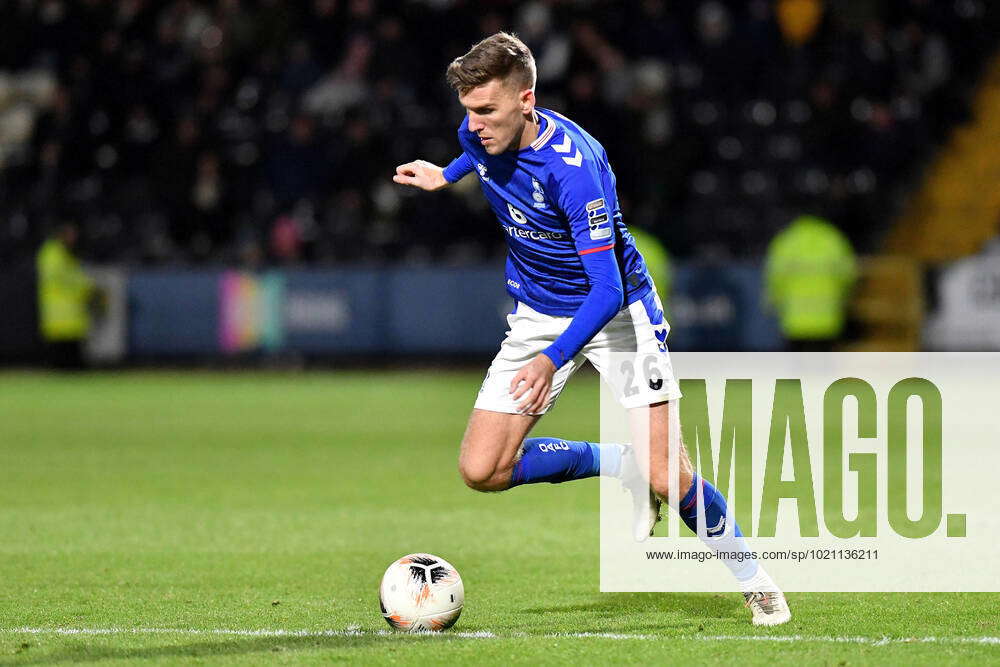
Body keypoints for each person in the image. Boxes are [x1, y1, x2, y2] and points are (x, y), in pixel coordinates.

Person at [393, 33, 790, 625]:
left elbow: (606, 289)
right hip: (538, 312)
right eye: (467, 111)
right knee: (482, 470)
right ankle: (617, 462)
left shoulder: (572, 168)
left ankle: (755, 579)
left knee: (666, 474)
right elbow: (476, 156)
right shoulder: (472, 137)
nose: (473, 125)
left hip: (619, 313)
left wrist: (553, 358)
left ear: (526, 99)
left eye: (486, 111)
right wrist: (446, 175)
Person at [765, 214, 857, 351]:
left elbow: (775, 278)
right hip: (827, 321)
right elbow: (848, 275)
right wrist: (843, 298)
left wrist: (774, 303)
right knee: (824, 368)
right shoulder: (833, 239)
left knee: (798, 368)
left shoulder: (786, 241)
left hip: (794, 322)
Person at [36, 223, 95, 369]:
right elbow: (61, 277)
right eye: (70, 234)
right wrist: (84, 287)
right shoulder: (52, 254)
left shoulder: (65, 254)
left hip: (71, 312)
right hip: (59, 311)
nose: (73, 238)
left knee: (72, 352)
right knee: (60, 354)